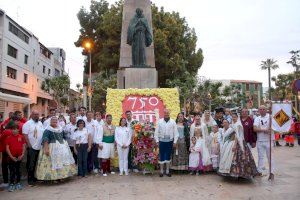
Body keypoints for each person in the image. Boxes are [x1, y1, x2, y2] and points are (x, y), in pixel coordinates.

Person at [35, 117, 77, 181]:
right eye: (53, 122)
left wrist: (65, 146)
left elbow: (64, 137)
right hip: (52, 147)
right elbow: (45, 139)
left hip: (62, 148)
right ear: (50, 122)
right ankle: (54, 178)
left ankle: (62, 176)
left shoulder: (60, 129)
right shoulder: (48, 130)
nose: (54, 123)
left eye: (55, 122)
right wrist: (46, 148)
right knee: (52, 162)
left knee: (61, 161)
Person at [22, 110, 44, 186]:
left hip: (39, 147)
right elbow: (25, 135)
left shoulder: (40, 123)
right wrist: (29, 145)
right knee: (31, 164)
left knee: (37, 163)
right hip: (32, 147)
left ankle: (35, 178)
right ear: (31, 115)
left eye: (37, 114)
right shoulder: (27, 124)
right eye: (35, 114)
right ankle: (30, 180)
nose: (36, 116)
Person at [154, 109, 179, 177]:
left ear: (169, 113)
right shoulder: (160, 122)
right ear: (163, 113)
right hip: (161, 141)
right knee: (162, 155)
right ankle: (161, 171)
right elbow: (156, 132)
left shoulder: (173, 122)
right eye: (165, 113)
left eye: (167, 113)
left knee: (168, 155)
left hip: (170, 141)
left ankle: (167, 171)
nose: (166, 114)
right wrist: (157, 141)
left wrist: (175, 142)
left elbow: (176, 133)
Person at [254, 105, 275, 180]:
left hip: (269, 140)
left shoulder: (271, 117)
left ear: (266, 110)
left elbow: (275, 127)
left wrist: (271, 129)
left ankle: (272, 172)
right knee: (260, 157)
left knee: (270, 157)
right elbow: (255, 128)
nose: (262, 110)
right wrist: (264, 130)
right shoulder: (257, 118)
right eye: (260, 109)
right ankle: (259, 171)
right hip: (260, 140)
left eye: (263, 109)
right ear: (259, 110)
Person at [5, 124, 26, 192]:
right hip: (11, 157)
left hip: (19, 157)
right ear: (11, 130)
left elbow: (23, 146)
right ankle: (11, 184)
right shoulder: (8, 137)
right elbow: (7, 148)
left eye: (15, 129)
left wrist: (22, 155)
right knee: (12, 171)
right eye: (13, 129)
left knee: (18, 171)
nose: (14, 130)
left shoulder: (21, 137)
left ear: (18, 129)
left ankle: (18, 183)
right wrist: (11, 157)